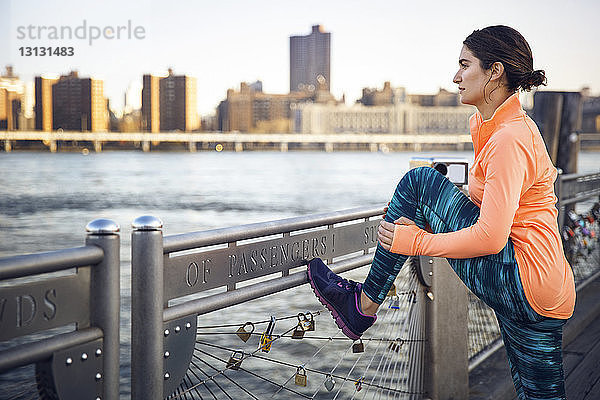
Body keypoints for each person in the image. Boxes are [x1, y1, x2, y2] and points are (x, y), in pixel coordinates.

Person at [307, 25, 575, 400]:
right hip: (544, 285)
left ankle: (363, 304)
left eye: (465, 65)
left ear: (494, 72)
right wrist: (428, 211)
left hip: (520, 275)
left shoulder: (509, 137)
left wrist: (418, 240)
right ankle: (362, 303)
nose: (456, 76)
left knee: (418, 182)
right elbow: (500, 201)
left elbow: (490, 236)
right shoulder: (493, 126)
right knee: (542, 396)